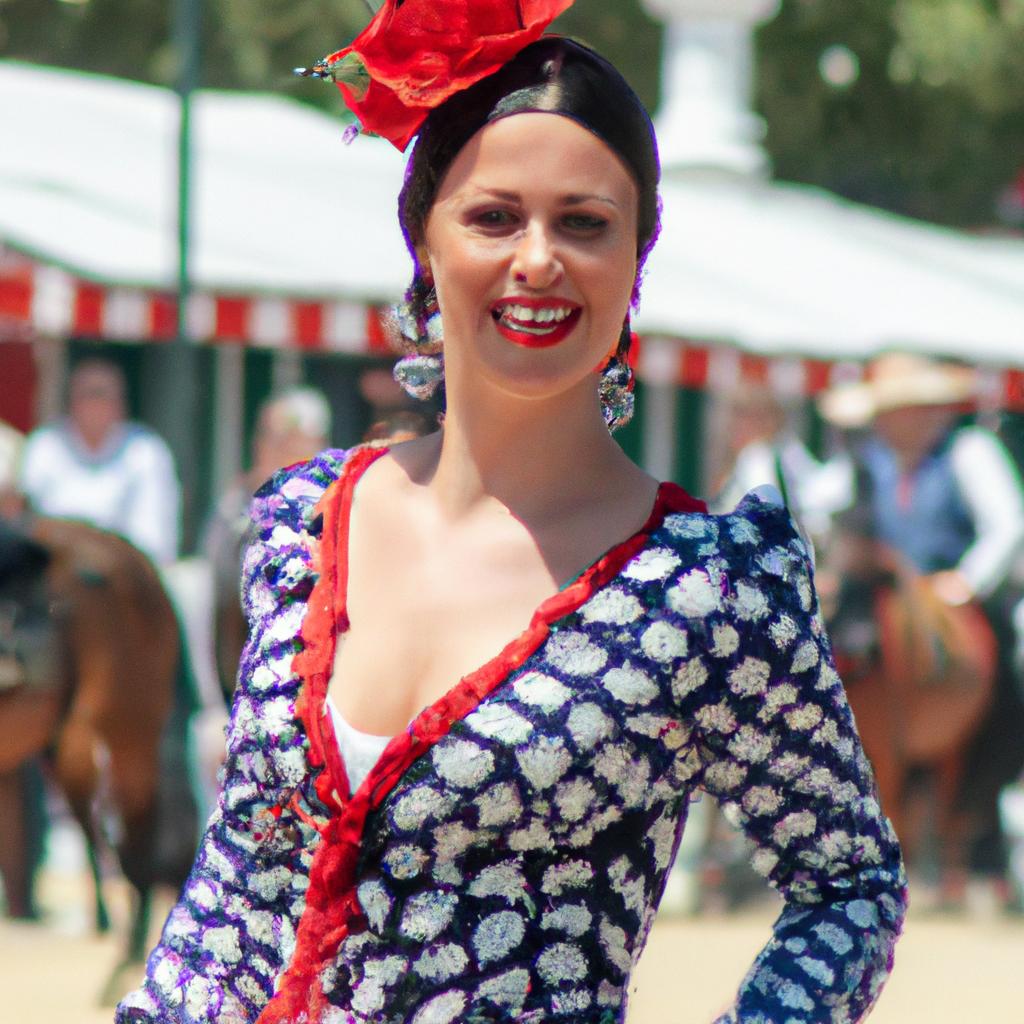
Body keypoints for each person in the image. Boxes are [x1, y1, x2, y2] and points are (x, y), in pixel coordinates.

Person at [117, 6, 905, 1022]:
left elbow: (848, 881)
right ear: (425, 243)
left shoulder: (707, 587)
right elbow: (239, 892)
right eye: (494, 217)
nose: (538, 258)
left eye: (584, 222)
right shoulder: (301, 527)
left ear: (634, 263)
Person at [820, 352, 1024, 901]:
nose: (904, 420)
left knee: (1015, 666)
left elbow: (1007, 525)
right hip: (879, 599)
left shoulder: (969, 452)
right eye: (894, 410)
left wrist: (967, 582)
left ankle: (982, 817)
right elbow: (823, 510)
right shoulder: (863, 464)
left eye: (915, 408)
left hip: (959, 597)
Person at [203, 387, 333, 698]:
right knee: (192, 585)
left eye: (290, 440)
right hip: (241, 625)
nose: (276, 449)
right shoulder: (241, 496)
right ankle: (207, 707)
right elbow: (213, 561)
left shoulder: (334, 489)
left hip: (314, 621)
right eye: (270, 438)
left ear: (317, 444)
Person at [19, 358, 181, 565]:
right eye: (88, 396)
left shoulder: (146, 451)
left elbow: (154, 537)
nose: (95, 405)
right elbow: (28, 523)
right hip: (54, 569)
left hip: (121, 574)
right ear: (72, 402)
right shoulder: (44, 445)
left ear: (120, 403)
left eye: (102, 396)